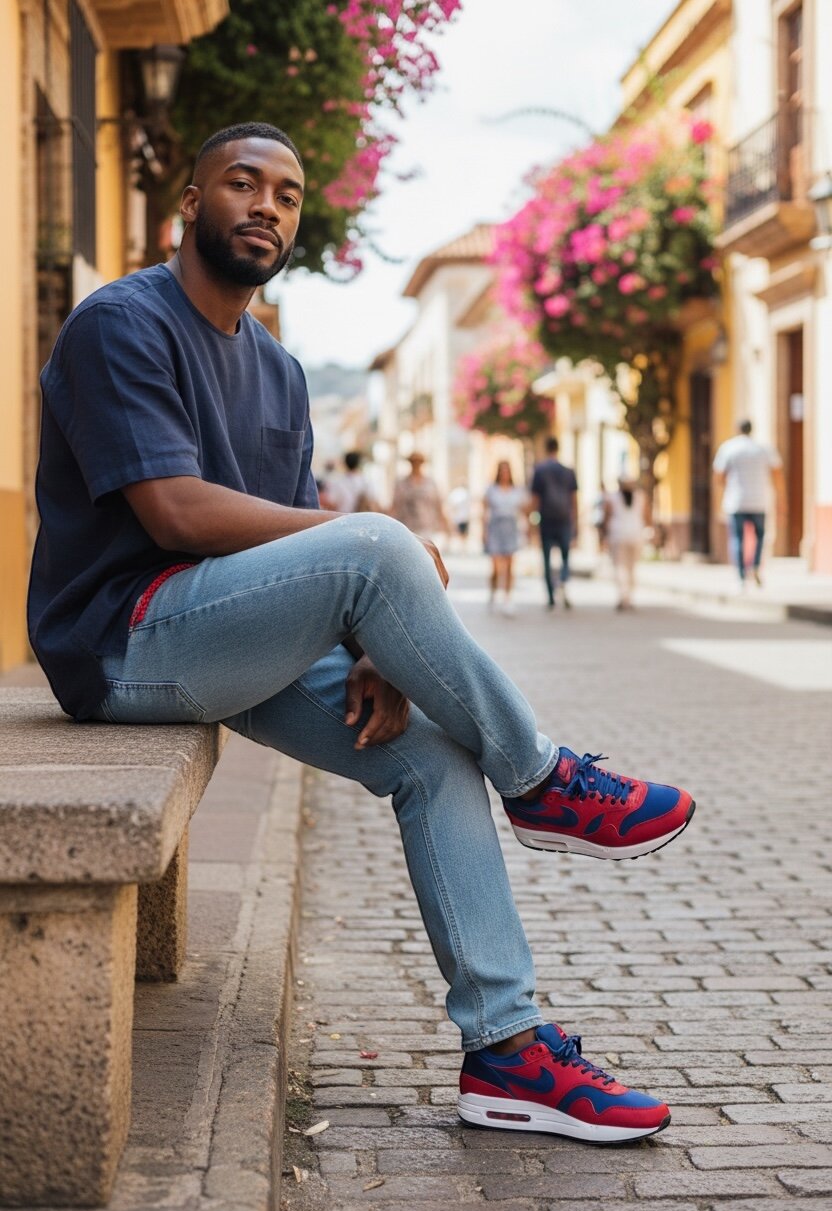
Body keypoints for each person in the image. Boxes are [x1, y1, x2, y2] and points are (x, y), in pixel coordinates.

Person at [28, 121, 696, 1145]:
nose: (266, 206)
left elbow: (297, 565)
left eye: (287, 195)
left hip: (226, 637)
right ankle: (544, 778)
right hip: (122, 642)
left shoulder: (282, 374)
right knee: (380, 539)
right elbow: (177, 515)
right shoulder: (122, 324)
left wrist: (379, 651)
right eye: (241, 184)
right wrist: (365, 560)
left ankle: (506, 1052)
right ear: (190, 205)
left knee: (430, 755)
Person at [712, 419, 784, 587]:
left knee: (737, 538)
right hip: (759, 500)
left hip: (736, 500)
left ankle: (741, 576)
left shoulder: (728, 448)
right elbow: (777, 474)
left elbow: (718, 475)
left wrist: (726, 487)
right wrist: (781, 498)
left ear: (737, 429)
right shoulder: (763, 449)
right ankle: (756, 566)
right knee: (760, 536)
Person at [530, 436, 578, 611]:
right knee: (566, 556)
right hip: (564, 519)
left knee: (547, 559)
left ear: (545, 448)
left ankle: (551, 596)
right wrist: (575, 521)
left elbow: (535, 499)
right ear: (558, 449)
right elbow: (574, 498)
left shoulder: (540, 470)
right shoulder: (568, 471)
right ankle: (563, 580)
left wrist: (532, 523)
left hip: (546, 520)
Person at [483, 461, 528, 616]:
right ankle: (493, 593)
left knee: (509, 565)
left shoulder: (516, 490)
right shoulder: (491, 489)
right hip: (495, 527)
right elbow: (485, 511)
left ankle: (508, 598)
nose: (504, 474)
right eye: (502, 471)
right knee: (496, 567)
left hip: (511, 527)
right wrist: (484, 532)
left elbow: (524, 509)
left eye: (507, 471)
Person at [603, 475, 648, 611]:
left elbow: (607, 517)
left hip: (618, 535)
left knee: (620, 567)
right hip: (636, 534)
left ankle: (624, 597)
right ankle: (629, 597)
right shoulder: (641, 497)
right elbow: (647, 516)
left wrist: (604, 534)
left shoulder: (612, 498)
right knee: (631, 568)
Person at [390, 451, 448, 540]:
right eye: (413, 462)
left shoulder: (430, 483)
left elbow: (438, 505)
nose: (416, 464)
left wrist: (445, 525)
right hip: (407, 526)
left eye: (418, 462)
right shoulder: (401, 483)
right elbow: (395, 505)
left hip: (427, 526)